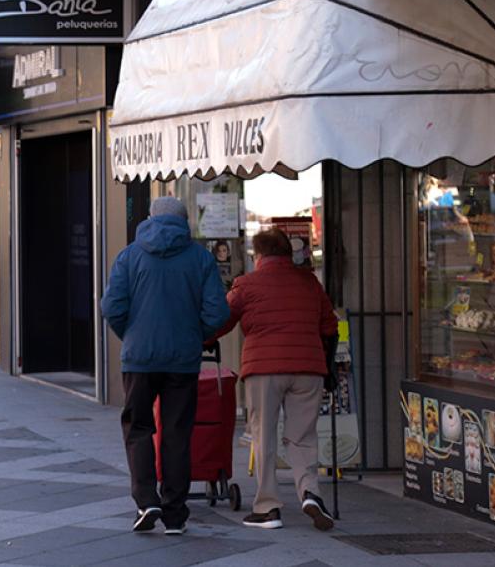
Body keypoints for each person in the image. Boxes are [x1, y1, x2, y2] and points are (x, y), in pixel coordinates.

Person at [100, 196, 230, 536]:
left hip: (139, 358)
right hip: (183, 361)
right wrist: (192, 336)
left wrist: (130, 335)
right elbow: (217, 312)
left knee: (138, 427)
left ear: (150, 218)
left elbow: (111, 306)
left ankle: (146, 501)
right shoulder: (201, 258)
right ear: (184, 221)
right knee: (177, 434)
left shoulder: (130, 256)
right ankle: (175, 514)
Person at [210, 228, 338, 531]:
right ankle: (309, 493)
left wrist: (198, 338)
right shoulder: (310, 283)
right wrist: (328, 369)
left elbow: (221, 321)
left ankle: (268, 508)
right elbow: (330, 327)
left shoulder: (246, 284)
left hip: (264, 369)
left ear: (260, 255)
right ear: (288, 254)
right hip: (308, 368)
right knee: (303, 436)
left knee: (263, 436)